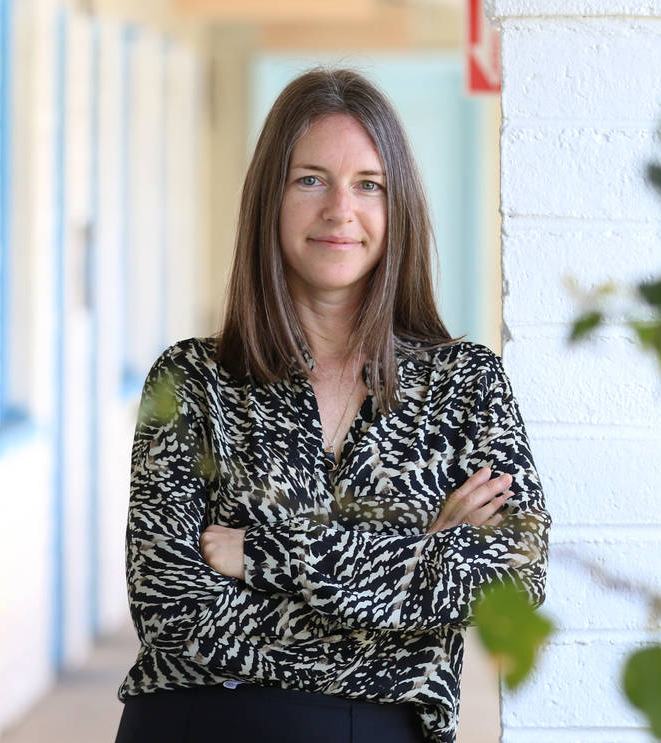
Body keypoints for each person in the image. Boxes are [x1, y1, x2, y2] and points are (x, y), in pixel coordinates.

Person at [114, 68, 550, 743]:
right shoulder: (192, 380)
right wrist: (418, 561)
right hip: (203, 724)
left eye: (368, 184)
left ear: (396, 205)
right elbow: (172, 610)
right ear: (271, 199)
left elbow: (511, 589)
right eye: (310, 179)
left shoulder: (465, 384)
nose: (340, 209)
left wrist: (267, 554)